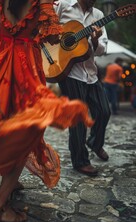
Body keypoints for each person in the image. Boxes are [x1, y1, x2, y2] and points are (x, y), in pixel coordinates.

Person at [0, 0, 94, 222]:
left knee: (3, 120)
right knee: (25, 132)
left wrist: (7, 42)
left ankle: (9, 182)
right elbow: (51, 38)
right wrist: (32, 39)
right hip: (24, 66)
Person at [54, 0, 111, 177]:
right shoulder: (62, 6)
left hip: (91, 74)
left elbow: (102, 50)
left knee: (104, 111)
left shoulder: (99, 16)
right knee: (78, 120)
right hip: (69, 73)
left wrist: (95, 40)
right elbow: (45, 30)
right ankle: (80, 161)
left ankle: (95, 142)